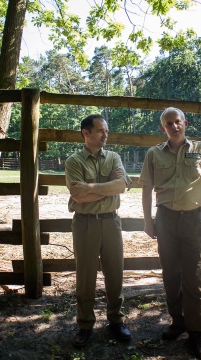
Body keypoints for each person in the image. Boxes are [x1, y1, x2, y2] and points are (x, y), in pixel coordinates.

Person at [139, 107, 201, 360]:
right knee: (171, 274)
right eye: (169, 123)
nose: (174, 126)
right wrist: (148, 222)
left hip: (193, 219)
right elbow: (147, 188)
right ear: (163, 128)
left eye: (177, 122)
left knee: (194, 276)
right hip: (165, 219)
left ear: (185, 123)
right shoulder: (153, 153)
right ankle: (178, 321)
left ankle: (197, 333)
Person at [65, 114, 132, 348]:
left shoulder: (113, 157)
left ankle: (116, 320)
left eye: (106, 130)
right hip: (84, 224)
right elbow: (77, 194)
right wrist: (108, 189)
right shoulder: (73, 161)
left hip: (111, 222)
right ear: (86, 133)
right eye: (101, 130)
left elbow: (122, 185)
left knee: (115, 273)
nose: (106, 134)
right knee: (85, 277)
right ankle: (84, 324)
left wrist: (91, 188)